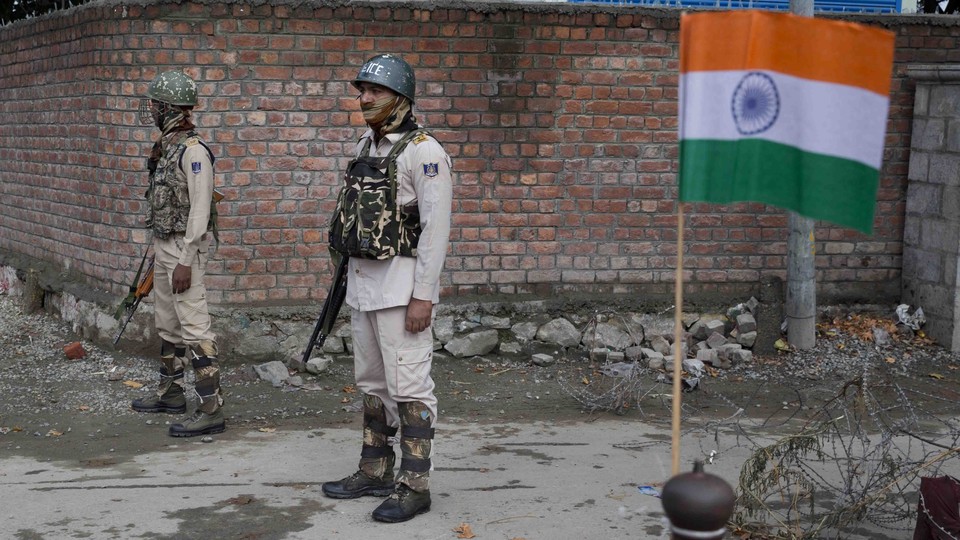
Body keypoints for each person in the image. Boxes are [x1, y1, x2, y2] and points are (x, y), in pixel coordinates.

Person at [321, 53, 453, 523]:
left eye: (374, 90)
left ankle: (415, 485)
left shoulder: (426, 152)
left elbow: (436, 231)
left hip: (402, 293)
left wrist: (423, 296)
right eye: (362, 90)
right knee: (372, 383)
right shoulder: (367, 145)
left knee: (411, 386)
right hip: (363, 287)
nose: (365, 98)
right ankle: (375, 468)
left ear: (401, 97)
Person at [130, 70, 225, 438]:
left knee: (195, 327)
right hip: (165, 244)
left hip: (186, 250)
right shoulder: (168, 145)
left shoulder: (193, 151)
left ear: (170, 107)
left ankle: (211, 409)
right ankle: (170, 392)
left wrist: (185, 259)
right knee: (168, 323)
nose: (151, 109)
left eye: (156, 104)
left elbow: (200, 210)